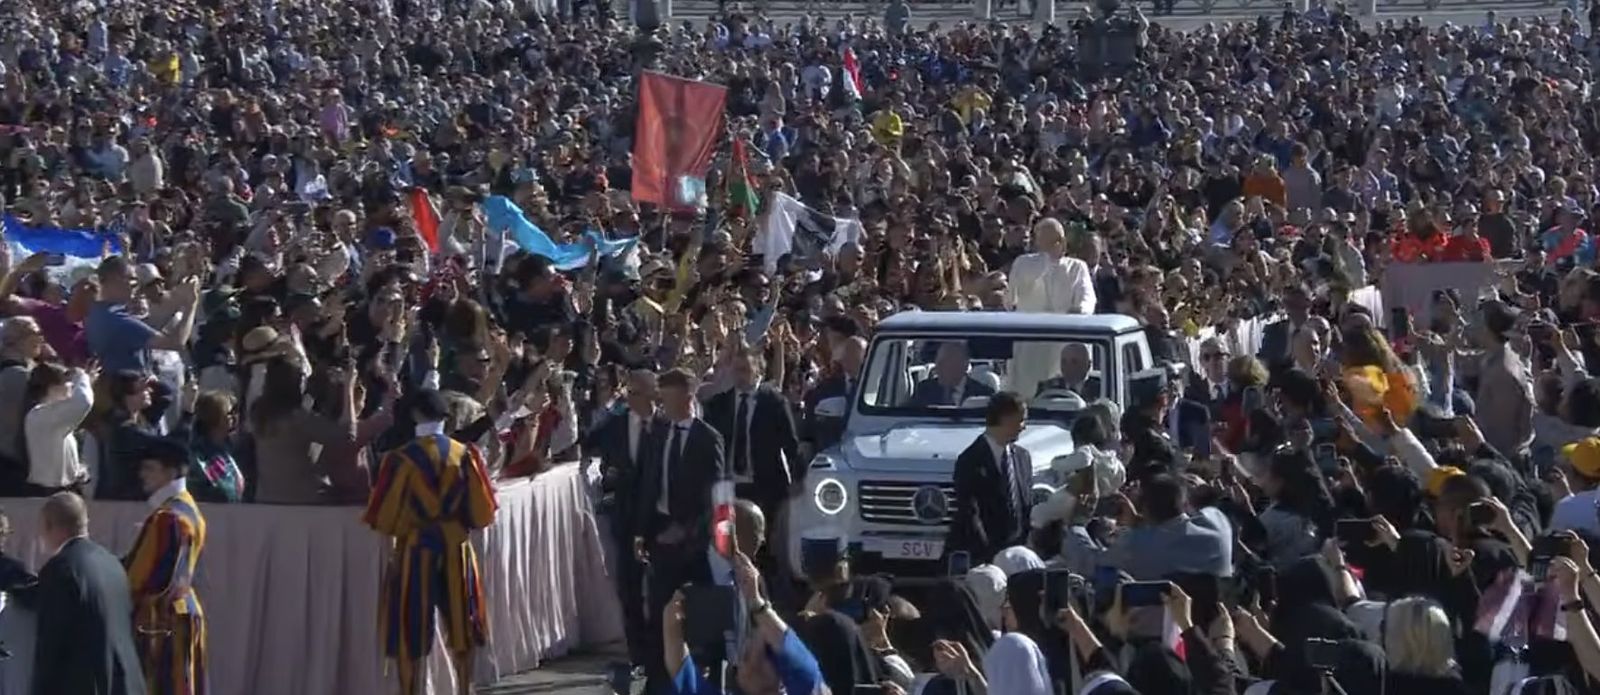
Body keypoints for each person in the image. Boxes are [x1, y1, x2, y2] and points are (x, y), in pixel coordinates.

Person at [362, 388, 499, 695]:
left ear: (414, 415)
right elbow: (483, 512)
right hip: (456, 548)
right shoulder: (465, 455)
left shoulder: (399, 459)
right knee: (463, 626)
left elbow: (382, 518)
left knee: (408, 629)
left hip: (415, 549)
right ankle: (464, 689)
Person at [633, 368, 725, 693]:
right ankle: (658, 683)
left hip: (691, 544)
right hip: (659, 536)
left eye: (668, 398)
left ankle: (699, 679)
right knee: (659, 611)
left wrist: (686, 531)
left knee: (695, 617)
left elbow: (714, 498)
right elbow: (649, 482)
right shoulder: (659, 433)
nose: (662, 405)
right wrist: (641, 531)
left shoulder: (708, 439)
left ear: (687, 398)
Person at [17, 492, 144, 695]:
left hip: (85, 684)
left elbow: (51, 645)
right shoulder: (112, 564)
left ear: (49, 526)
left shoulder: (60, 569)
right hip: (124, 683)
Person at [123, 435, 208, 695]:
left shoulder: (168, 517)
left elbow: (139, 578)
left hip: (162, 622)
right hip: (179, 614)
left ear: (170, 471)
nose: (142, 474)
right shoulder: (188, 507)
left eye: (150, 468)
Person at [702, 343, 801, 520]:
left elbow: (791, 444)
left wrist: (797, 480)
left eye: (745, 370)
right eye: (736, 370)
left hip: (765, 485)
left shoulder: (774, 403)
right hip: (729, 485)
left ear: (758, 372)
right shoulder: (719, 405)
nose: (739, 376)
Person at [1006, 219, 1097, 397]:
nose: (1059, 244)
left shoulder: (1077, 267)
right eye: (1052, 241)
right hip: (1030, 348)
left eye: (1060, 239)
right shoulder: (1023, 264)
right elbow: (1010, 301)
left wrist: (1079, 311)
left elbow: (1087, 299)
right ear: (1038, 242)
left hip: (1064, 348)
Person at [947, 392, 1033, 565]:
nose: (1024, 426)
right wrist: (989, 556)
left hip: (1018, 556)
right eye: (1021, 420)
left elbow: (1026, 506)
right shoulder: (970, 460)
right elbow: (970, 513)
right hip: (984, 557)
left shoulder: (1023, 458)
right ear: (1005, 419)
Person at [21, 362, 94, 495]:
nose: (71, 388)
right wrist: (82, 376)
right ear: (53, 387)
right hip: (49, 493)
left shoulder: (47, 415)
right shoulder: (40, 415)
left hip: (62, 489)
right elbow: (83, 401)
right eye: (68, 384)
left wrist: (77, 470)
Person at [911, 341, 994, 407]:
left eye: (945, 363)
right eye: (938, 363)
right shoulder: (924, 390)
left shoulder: (984, 394)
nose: (938, 369)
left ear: (963, 365)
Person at [1033, 343, 1100, 399]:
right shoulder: (1047, 388)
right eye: (1064, 362)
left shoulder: (1099, 389)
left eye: (1074, 362)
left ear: (1088, 365)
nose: (1068, 367)